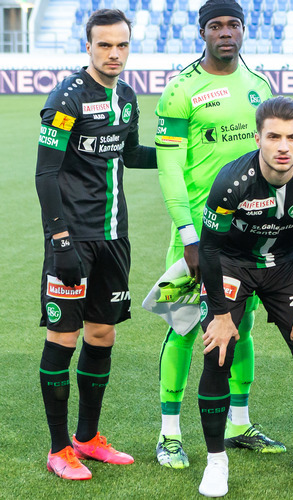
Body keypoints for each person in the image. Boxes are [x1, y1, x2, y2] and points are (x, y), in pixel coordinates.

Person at [153, 0, 280, 469]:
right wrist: (187, 233)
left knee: (240, 326)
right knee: (184, 328)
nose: (225, 33)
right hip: (195, 235)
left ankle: (239, 423)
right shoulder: (180, 89)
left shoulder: (259, 85)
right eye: (216, 26)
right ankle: (168, 434)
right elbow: (168, 167)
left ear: (243, 31)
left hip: (246, 233)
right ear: (202, 32)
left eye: (233, 25)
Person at [195, 97, 293, 497]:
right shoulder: (231, 181)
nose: (283, 146)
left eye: (292, 137)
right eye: (273, 136)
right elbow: (208, 249)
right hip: (231, 264)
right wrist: (222, 315)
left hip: (283, 266)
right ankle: (216, 462)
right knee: (217, 351)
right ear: (258, 137)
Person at [35, 8, 156, 480]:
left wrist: (182, 148)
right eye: (104, 45)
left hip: (114, 239)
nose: (114, 54)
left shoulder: (127, 97)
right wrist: (59, 239)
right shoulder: (67, 97)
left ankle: (87, 438)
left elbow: (130, 153)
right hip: (73, 241)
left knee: (101, 335)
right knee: (62, 338)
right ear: (88, 46)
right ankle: (58, 447)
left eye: (121, 45)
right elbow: (46, 173)